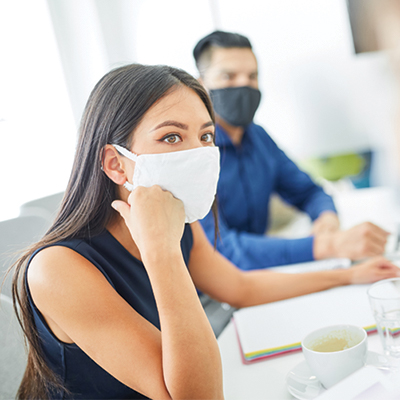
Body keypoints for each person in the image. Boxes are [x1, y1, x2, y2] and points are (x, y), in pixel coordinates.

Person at [9, 63, 400, 400]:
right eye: (171, 137)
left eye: (206, 136)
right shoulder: (57, 268)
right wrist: (160, 249)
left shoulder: (180, 224)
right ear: (115, 163)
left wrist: (348, 274)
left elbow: (241, 289)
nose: (196, 153)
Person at [193, 30, 391, 270]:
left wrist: (326, 218)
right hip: (210, 290)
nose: (244, 84)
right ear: (202, 84)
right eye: (228, 76)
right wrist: (325, 246)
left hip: (262, 276)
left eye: (252, 76)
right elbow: (223, 250)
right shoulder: (195, 152)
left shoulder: (258, 138)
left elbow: (309, 191)